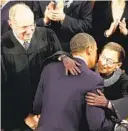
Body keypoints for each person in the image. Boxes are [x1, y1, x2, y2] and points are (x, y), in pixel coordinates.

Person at [1, 3, 80, 131]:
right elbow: (3, 92)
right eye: (24, 27)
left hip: (46, 109)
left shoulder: (47, 35)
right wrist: (25, 116)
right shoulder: (2, 47)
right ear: (11, 24)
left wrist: (63, 57)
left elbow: (57, 55)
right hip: (17, 115)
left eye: (32, 25)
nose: (30, 31)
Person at [33, 33, 113, 131]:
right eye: (96, 51)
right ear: (89, 49)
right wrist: (116, 123)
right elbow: (96, 125)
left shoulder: (49, 68)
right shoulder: (94, 80)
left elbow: (37, 107)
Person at [92, 0, 128, 79]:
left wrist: (127, 33)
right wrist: (107, 33)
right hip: (104, 57)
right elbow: (93, 33)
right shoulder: (100, 4)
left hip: (127, 59)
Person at [85, 42, 128, 120]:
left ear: (118, 65)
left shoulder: (124, 80)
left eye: (109, 61)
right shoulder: (89, 68)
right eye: (102, 57)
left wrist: (107, 103)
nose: (103, 63)